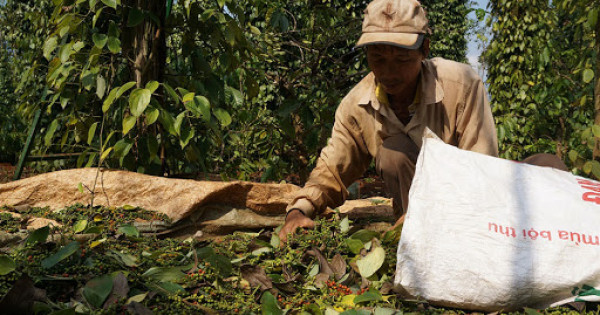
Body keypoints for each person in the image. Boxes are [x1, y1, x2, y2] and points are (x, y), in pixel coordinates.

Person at [277, 0, 562, 242]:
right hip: (412, 224)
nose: (388, 72)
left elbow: (481, 169)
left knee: (549, 167)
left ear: (424, 50)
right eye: (377, 59)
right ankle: (416, 242)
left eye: (401, 60)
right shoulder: (356, 105)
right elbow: (332, 169)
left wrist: (430, 215)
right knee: (394, 151)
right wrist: (298, 211)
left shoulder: (461, 84)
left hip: (470, 211)